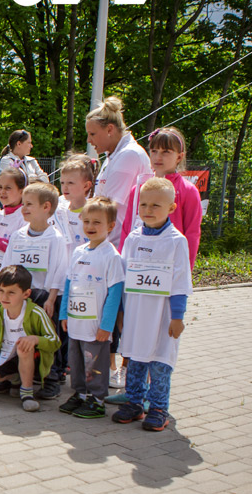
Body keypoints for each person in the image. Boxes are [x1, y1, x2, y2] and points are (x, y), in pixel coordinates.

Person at [114, 178, 192, 431]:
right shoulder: (133, 239)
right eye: (143, 204)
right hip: (136, 315)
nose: (148, 210)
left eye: (156, 205)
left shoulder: (176, 241)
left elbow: (180, 281)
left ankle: (159, 408)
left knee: (159, 364)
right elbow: (123, 278)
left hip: (161, 316)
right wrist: (121, 311)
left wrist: (177, 316)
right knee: (135, 360)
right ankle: (134, 402)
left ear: (171, 208)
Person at [86, 97, 149, 389]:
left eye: (93, 134)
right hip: (112, 246)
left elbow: (109, 207)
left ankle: (125, 370)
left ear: (110, 129)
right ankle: (114, 368)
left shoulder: (128, 157)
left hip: (121, 248)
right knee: (116, 311)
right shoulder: (115, 155)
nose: (91, 141)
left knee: (122, 314)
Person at [57, 197, 125, 419]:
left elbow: (115, 294)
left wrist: (107, 325)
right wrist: (64, 313)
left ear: (111, 226)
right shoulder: (79, 252)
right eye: (87, 221)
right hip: (76, 322)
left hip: (96, 327)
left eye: (97, 222)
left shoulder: (111, 256)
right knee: (75, 361)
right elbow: (69, 283)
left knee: (94, 363)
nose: (90, 227)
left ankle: (97, 400)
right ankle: (81, 394)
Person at [0, 265, 60, 412]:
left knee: (23, 346)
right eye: (1, 291)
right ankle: (15, 378)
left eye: (11, 293)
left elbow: (55, 341)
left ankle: (27, 393)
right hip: (6, 356)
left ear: (26, 294)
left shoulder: (36, 313)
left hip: (32, 357)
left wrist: (35, 339)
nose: (4, 297)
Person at [3, 180, 68, 400]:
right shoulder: (17, 235)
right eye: (23, 203)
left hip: (44, 298)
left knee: (47, 338)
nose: (24, 208)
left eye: (29, 204)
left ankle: (52, 378)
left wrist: (50, 299)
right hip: (19, 299)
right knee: (17, 336)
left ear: (46, 207)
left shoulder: (56, 238)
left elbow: (58, 270)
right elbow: (7, 265)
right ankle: (15, 375)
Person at [117, 126, 202, 266]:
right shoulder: (138, 189)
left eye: (166, 152)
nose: (158, 157)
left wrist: (186, 269)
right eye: (154, 151)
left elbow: (192, 234)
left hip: (170, 264)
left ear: (179, 156)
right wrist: (122, 263)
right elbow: (127, 229)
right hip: (138, 263)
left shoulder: (188, 191)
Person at [54, 153, 97, 263]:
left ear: (86, 186)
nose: (65, 187)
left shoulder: (94, 212)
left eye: (71, 183)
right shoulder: (58, 210)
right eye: (62, 183)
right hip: (61, 269)